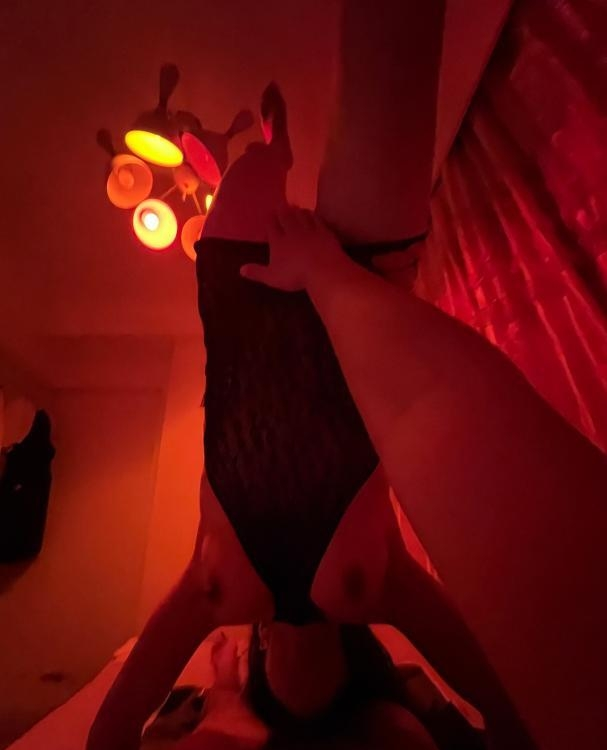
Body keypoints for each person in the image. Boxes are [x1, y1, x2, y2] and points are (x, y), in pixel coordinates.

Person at [87, 1, 552, 748]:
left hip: (250, 306)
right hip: (361, 283)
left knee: (253, 172)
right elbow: (505, 712)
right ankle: (275, 154)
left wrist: (222, 696)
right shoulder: (378, 585)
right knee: (392, 43)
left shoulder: (218, 598)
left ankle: (277, 151)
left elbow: (106, 738)